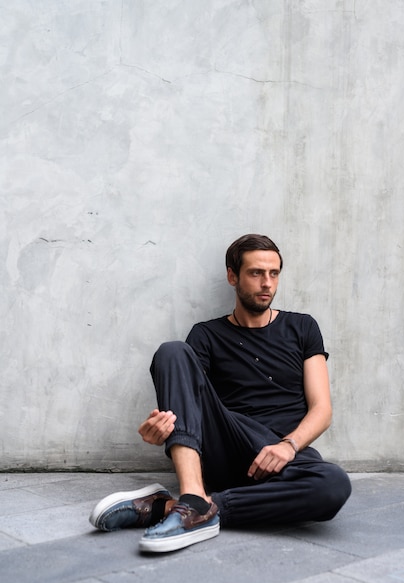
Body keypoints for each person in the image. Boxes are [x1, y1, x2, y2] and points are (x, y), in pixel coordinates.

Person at [89, 234, 351, 553]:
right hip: (228, 443)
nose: (267, 283)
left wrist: (288, 446)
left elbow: (322, 409)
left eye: (274, 273)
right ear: (232, 276)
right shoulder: (206, 335)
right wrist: (164, 426)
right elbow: (188, 400)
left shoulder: (303, 327)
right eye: (256, 273)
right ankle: (193, 494)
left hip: (283, 452)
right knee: (173, 352)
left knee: (332, 485)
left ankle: (180, 508)